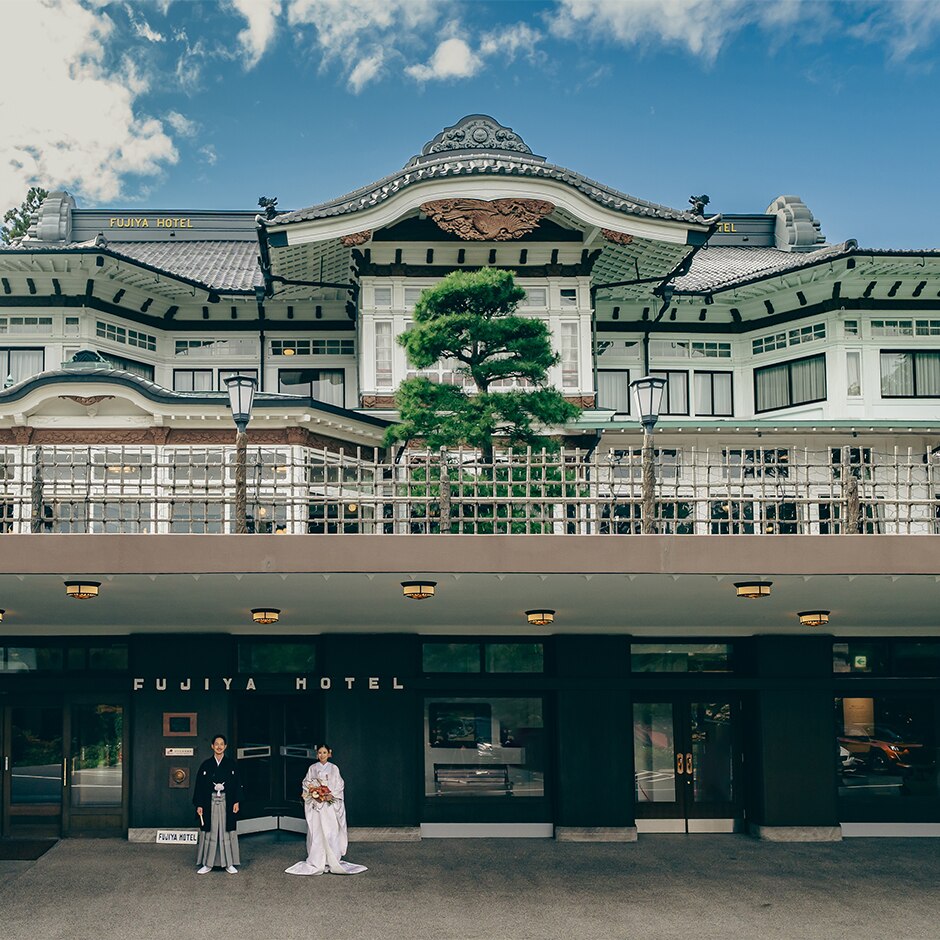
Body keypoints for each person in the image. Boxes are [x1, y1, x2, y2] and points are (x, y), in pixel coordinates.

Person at [285, 744, 367, 876]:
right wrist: (313, 791)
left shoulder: (334, 768)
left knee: (331, 832)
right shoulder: (312, 768)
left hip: (329, 806)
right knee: (317, 832)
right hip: (317, 805)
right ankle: (317, 860)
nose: (322, 755)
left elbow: (339, 786)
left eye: (324, 752)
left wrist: (330, 795)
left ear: (329, 753)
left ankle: (332, 859)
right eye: (319, 753)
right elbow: (306, 783)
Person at [193, 733, 241, 874]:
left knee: (227, 831)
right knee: (211, 831)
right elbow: (199, 787)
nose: (219, 746)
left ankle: (229, 863)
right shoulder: (206, 765)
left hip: (227, 800)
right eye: (216, 744)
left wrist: (237, 801)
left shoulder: (231, 764)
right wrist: (199, 804)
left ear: (225, 746)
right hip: (210, 802)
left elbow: (237, 784)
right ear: (212, 746)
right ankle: (207, 864)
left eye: (222, 744)